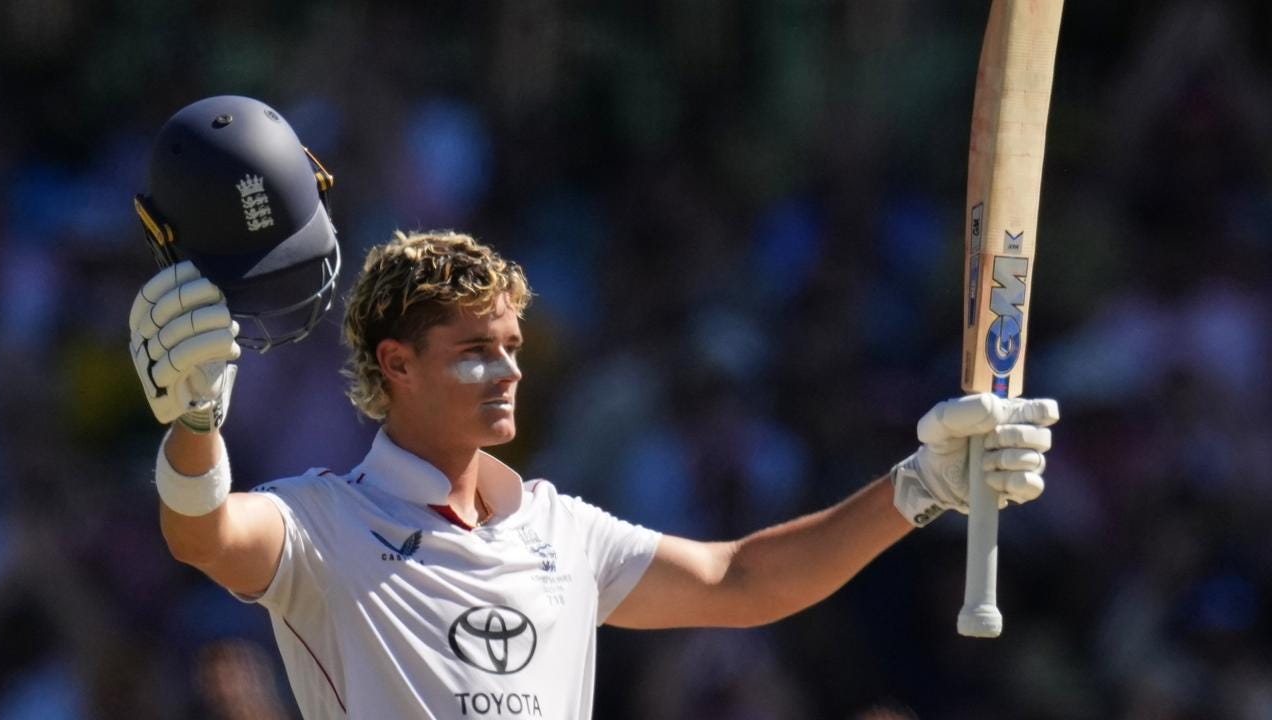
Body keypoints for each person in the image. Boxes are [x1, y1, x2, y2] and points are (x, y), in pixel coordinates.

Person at [129, 230, 1058, 719]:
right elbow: (202, 533)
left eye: (512, 347)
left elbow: (744, 580)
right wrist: (196, 425)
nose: (509, 371)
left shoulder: (559, 529)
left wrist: (921, 486)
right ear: (397, 365)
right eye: (474, 352)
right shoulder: (324, 523)